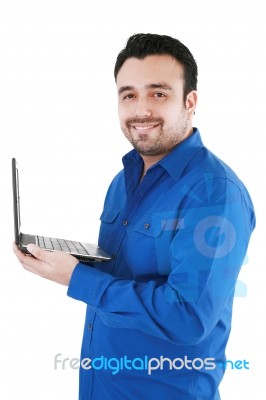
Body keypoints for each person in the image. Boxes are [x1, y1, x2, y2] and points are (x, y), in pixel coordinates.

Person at [13, 33, 256, 399]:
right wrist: (69, 262)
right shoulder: (122, 180)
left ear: (190, 101)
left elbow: (189, 317)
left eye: (158, 93)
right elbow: (126, 272)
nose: (141, 109)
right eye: (129, 94)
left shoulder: (215, 193)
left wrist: (76, 278)